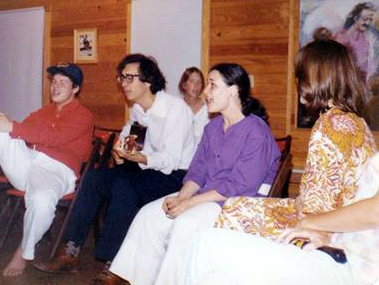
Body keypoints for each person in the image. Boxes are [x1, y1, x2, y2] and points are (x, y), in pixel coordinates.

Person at [179, 38, 377, 285]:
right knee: (236, 207)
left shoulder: (329, 125)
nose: (297, 82)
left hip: (329, 229)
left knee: (221, 224)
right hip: (340, 220)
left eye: (300, 75)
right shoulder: (357, 122)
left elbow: (316, 207)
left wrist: (301, 214)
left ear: (314, 77)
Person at [105, 63, 281, 285]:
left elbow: (240, 186)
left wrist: (189, 203)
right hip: (207, 198)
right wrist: (181, 198)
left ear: (234, 90)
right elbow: (196, 172)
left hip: (238, 203)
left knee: (185, 223)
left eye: (212, 85)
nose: (205, 92)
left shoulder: (256, 131)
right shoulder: (213, 128)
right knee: (150, 215)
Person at [34, 54, 196, 279]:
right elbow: (129, 148)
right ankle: (70, 251)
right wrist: (120, 154)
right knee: (94, 179)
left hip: (175, 175)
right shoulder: (138, 110)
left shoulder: (175, 109)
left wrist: (138, 157)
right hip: (146, 169)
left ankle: (115, 264)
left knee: (124, 185)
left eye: (130, 78)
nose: (124, 84)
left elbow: (169, 159)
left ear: (148, 81)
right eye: (122, 78)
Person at [0, 63, 94, 277]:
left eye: (62, 83)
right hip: (29, 162)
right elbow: (19, 129)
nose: (55, 86)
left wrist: (11, 126)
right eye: (53, 82)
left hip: (57, 171)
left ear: (75, 89)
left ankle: (23, 251)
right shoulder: (44, 111)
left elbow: (55, 138)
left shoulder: (83, 115)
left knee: (42, 201)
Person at [334, 2, 378, 83]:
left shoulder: (367, 35)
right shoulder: (343, 36)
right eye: (365, 19)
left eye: (370, 20)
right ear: (355, 18)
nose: (368, 23)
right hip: (349, 82)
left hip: (365, 81)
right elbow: (336, 64)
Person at [178, 67, 210, 144]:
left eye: (199, 82)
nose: (196, 85)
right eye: (192, 81)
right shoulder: (176, 108)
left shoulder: (209, 109)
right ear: (184, 85)